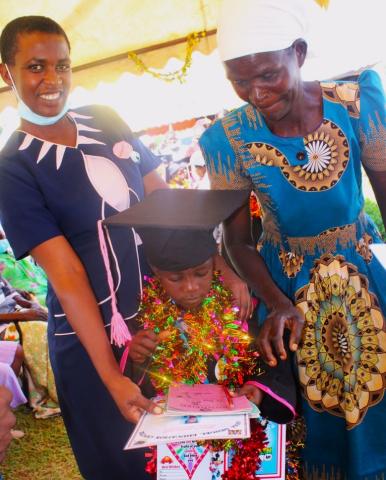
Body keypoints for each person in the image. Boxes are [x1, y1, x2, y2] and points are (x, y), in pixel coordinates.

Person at [0, 16, 251, 479]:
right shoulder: (13, 168)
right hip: (88, 342)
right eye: (35, 67)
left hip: (159, 322)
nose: (52, 80)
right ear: (6, 73)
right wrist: (112, 377)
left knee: (185, 454)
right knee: (124, 463)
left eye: (62, 66)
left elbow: (165, 204)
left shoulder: (105, 118)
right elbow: (68, 277)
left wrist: (221, 266)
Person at [199, 1, 386, 479]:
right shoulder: (228, 139)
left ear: (298, 54)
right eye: (239, 81)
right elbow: (237, 242)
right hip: (284, 288)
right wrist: (278, 303)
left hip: (363, 281)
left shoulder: (357, 105)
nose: (256, 94)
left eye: (267, 75)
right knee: (306, 422)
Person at [104, 188, 297, 478]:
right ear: (156, 271)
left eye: (201, 273)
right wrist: (136, 355)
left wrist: (258, 389)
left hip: (242, 443)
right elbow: (140, 385)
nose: (191, 287)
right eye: (175, 278)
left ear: (214, 264)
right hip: (180, 448)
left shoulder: (241, 308)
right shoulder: (146, 316)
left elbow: (271, 362)